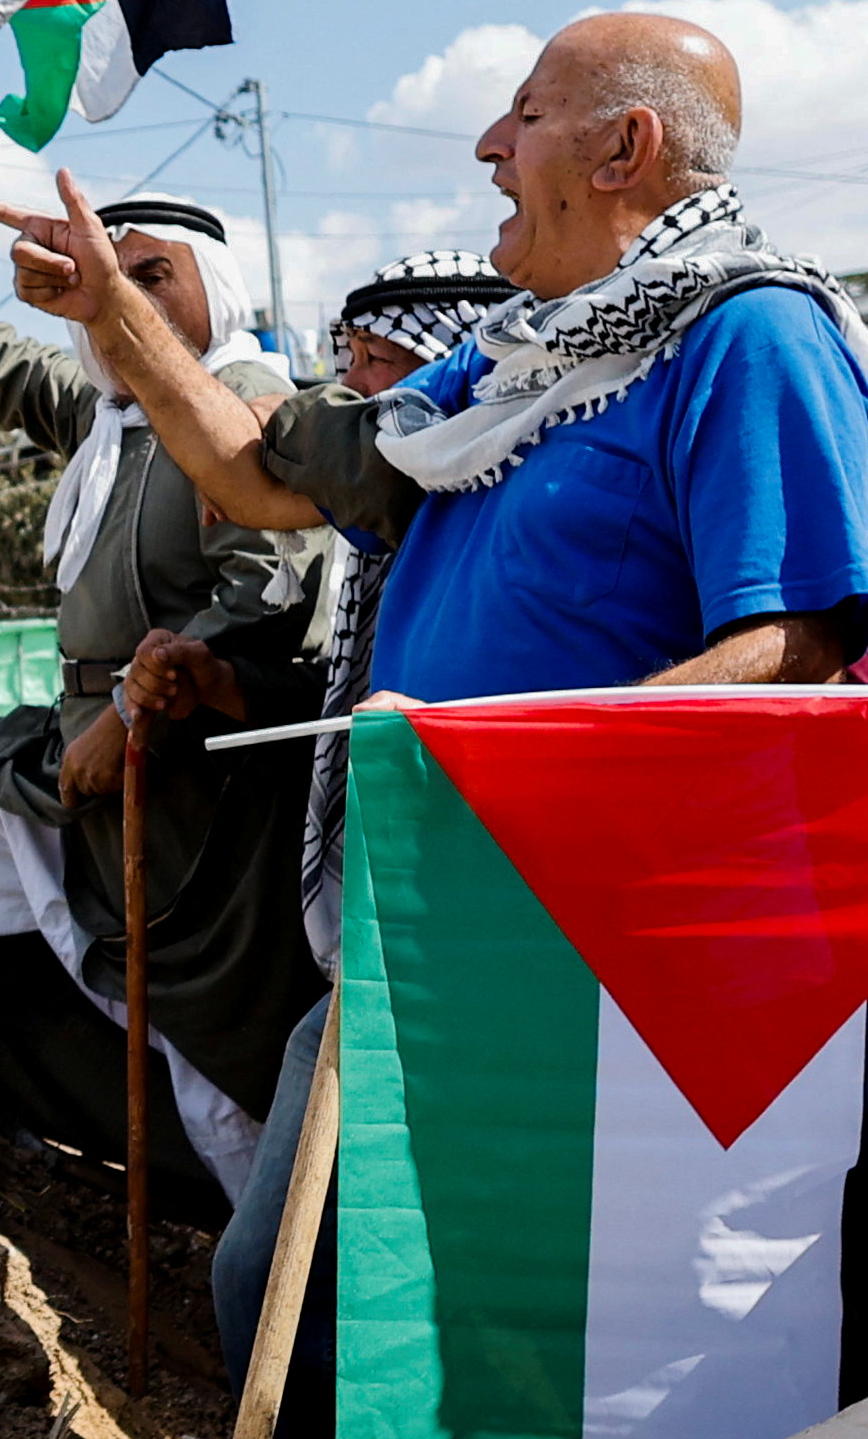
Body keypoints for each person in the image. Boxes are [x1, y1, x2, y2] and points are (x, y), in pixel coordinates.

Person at [0, 12, 868, 1419]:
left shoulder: (751, 336)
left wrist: (507, 771)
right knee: (289, 1295)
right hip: (433, 927)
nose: (485, 145)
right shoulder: (506, 367)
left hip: (604, 965)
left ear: (622, 147)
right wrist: (113, 308)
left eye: (523, 116)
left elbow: (796, 643)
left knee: (509, 1334)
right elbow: (262, 470)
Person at [0, 163, 335, 1209]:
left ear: (214, 293)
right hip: (74, 757)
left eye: (149, 276)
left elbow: (267, 601)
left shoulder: (249, 410)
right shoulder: (111, 419)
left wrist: (138, 709)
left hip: (194, 798)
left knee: (216, 1076)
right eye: (106, 274)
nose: (117, 298)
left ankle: (293, 1316)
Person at [124, 248, 502, 1428]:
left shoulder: (470, 500)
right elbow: (339, 702)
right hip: (367, 955)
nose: (347, 402)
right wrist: (227, 687)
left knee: (357, 1290)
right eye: (342, 369)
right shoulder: (384, 528)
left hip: (467, 954)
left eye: (379, 372)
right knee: (269, 1275)